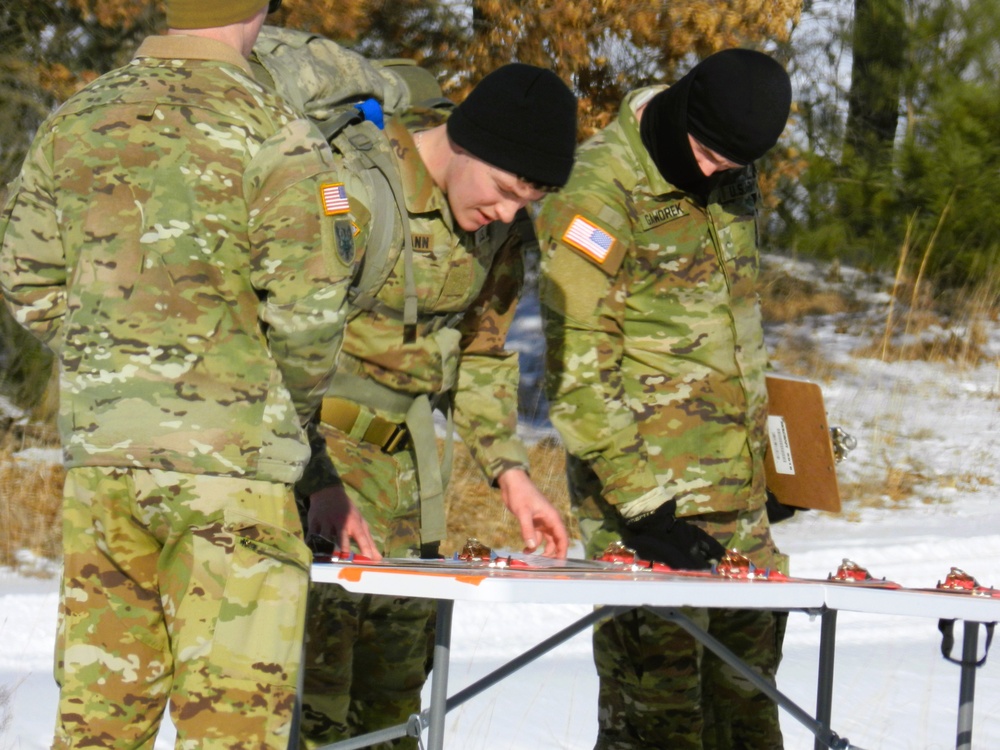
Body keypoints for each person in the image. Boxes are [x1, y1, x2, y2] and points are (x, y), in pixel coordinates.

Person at [0, 1, 360, 746]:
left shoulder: (77, 120)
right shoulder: (277, 131)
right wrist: (259, 397)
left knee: (99, 724)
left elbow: (23, 273)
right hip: (232, 472)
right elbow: (310, 314)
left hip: (106, 465)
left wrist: (116, 361)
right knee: (231, 725)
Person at [288, 63, 576, 748]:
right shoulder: (357, 188)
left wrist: (511, 474)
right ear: (466, 141)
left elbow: (480, 355)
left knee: (392, 712)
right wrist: (317, 482)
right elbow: (279, 348)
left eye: (526, 202)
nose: (508, 214)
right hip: (312, 479)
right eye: (505, 192)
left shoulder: (503, 231)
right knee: (306, 702)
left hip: (411, 485)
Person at [536, 48, 793, 750]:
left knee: (750, 714)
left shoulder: (735, 170)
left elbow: (737, 327)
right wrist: (644, 507)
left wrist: (772, 462)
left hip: (738, 501)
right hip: (648, 501)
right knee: (658, 724)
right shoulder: (597, 191)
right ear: (680, 107)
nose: (717, 172)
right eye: (707, 153)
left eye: (733, 163)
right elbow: (578, 372)